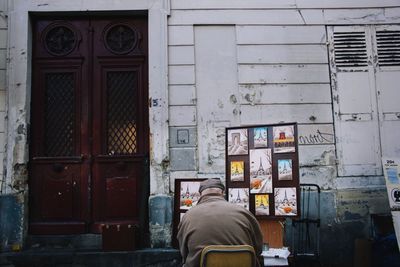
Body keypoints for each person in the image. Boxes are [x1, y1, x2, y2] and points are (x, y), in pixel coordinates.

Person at [177, 178, 264, 267]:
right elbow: (258, 249)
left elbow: (183, 253)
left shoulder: (188, 216)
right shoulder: (244, 212)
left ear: (200, 195)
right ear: (222, 193)